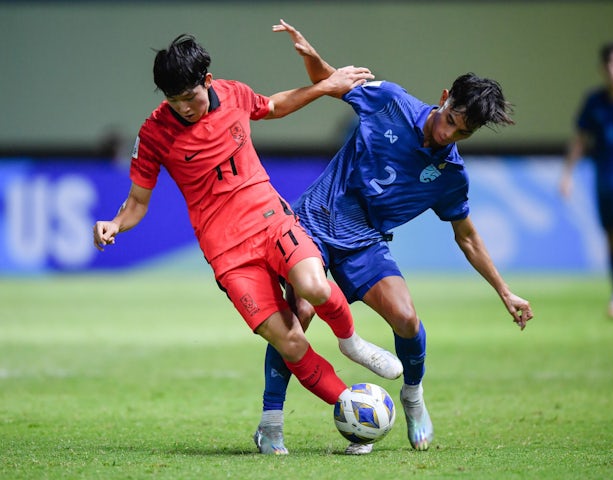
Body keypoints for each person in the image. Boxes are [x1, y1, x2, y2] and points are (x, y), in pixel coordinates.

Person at [92, 30, 404, 455]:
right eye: (173, 100)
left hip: (272, 220)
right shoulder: (154, 134)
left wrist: (326, 86)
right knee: (290, 341)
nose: (184, 108)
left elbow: (273, 105)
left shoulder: (233, 94)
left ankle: (352, 342)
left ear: (208, 79)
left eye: (190, 96)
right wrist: (114, 224)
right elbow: (136, 202)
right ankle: (351, 409)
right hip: (229, 255)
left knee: (313, 286)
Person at [254, 20, 534, 456]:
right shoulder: (390, 101)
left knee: (406, 319)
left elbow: (468, 238)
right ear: (444, 98)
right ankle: (271, 422)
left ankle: (413, 398)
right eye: (451, 120)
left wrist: (504, 291)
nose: (448, 135)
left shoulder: (451, 175)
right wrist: (311, 55)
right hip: (314, 221)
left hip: (364, 241)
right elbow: (330, 81)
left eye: (462, 133)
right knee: (300, 315)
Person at [560, 41, 613, 322]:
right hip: (604, 174)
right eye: (608, 64)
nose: (612, 69)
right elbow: (581, 139)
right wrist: (567, 174)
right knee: (610, 233)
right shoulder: (595, 102)